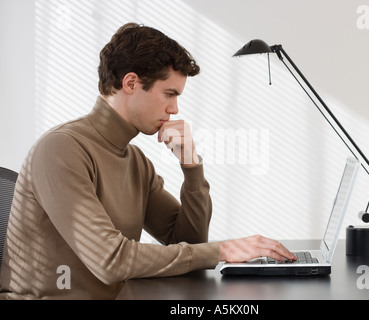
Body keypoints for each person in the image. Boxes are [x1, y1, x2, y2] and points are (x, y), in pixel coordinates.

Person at [0, 23, 295, 300]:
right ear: (130, 83)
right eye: (169, 94)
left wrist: (192, 167)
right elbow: (110, 260)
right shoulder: (61, 149)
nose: (174, 108)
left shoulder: (135, 160)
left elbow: (188, 242)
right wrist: (223, 250)